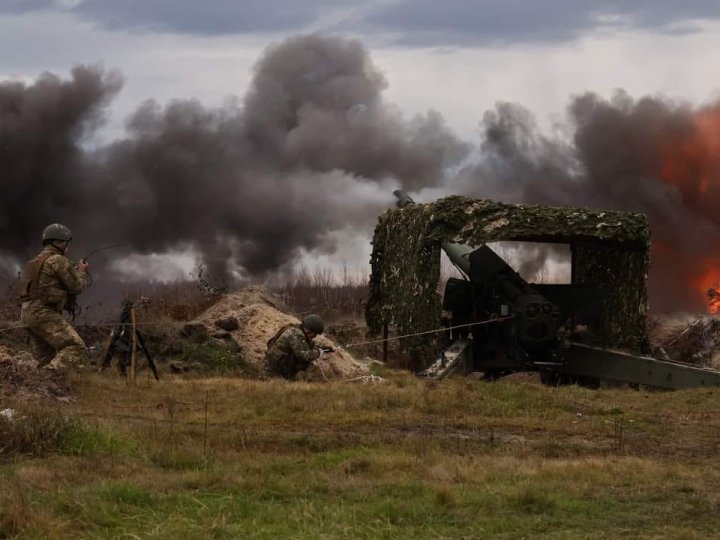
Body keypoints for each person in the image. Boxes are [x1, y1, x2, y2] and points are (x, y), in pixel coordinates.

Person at [19, 223, 89, 370]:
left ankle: (41, 387)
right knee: (75, 347)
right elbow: (76, 287)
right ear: (62, 242)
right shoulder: (58, 260)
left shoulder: (34, 262)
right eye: (67, 243)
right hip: (43, 313)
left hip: (27, 314)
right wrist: (81, 272)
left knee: (46, 356)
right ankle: (49, 375)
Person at [264, 314, 327, 379]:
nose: (314, 337)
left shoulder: (297, 330)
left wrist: (323, 347)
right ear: (310, 330)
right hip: (272, 373)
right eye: (315, 334)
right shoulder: (295, 334)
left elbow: (307, 343)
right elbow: (305, 356)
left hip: (283, 371)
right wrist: (318, 352)